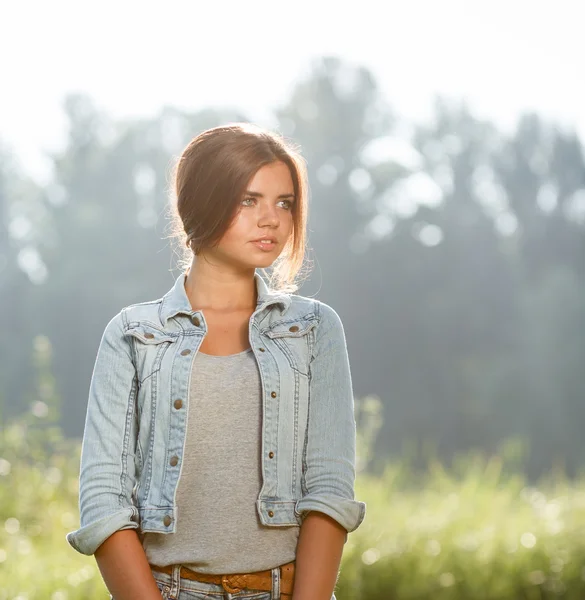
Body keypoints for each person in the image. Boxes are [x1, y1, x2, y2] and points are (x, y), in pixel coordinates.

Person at [66, 122, 366, 600]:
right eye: (249, 200)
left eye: (284, 203)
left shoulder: (313, 330)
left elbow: (329, 491)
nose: (271, 219)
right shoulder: (135, 334)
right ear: (201, 201)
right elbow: (104, 501)